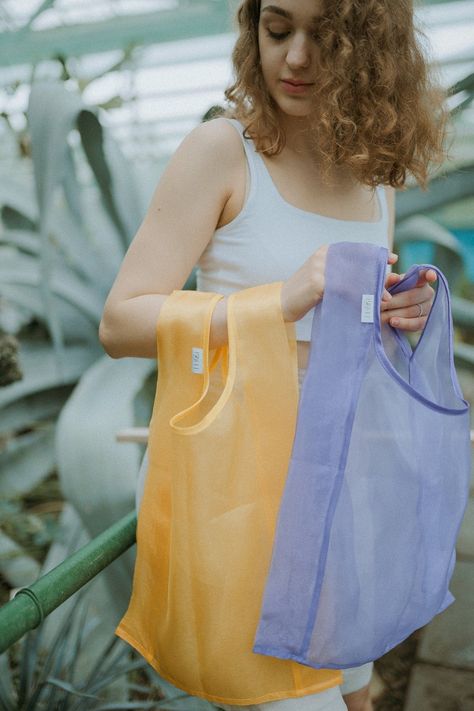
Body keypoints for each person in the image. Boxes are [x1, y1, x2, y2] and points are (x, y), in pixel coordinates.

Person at [99, 1, 451, 708]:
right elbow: (121, 320)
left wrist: (405, 308)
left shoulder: (372, 174)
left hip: (335, 486)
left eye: (326, 36)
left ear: (371, 46)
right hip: (235, 490)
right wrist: (276, 302)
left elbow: (347, 335)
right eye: (278, 28)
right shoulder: (223, 151)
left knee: (353, 690)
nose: (294, 58)